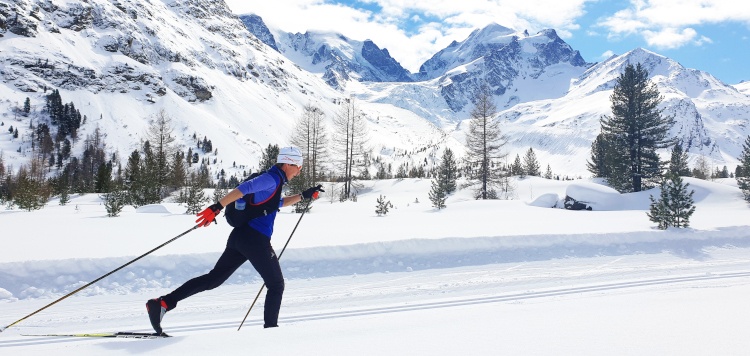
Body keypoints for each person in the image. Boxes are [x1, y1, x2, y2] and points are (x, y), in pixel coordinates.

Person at [146, 146, 324, 334]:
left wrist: (303, 196)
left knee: (213, 279)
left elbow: (277, 203)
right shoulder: (271, 179)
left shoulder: (274, 180)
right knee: (276, 285)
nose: (299, 171)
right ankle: (271, 334)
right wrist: (217, 207)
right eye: (299, 167)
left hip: (240, 238)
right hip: (255, 240)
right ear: (289, 163)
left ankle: (163, 303)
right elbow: (244, 188)